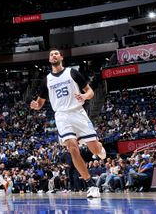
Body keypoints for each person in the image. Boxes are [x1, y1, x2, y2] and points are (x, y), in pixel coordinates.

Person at [30, 49, 106, 199]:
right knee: (72, 148)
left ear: (61, 57)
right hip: (62, 116)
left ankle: (100, 148)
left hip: (78, 112)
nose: (54, 55)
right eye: (51, 54)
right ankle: (91, 185)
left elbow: (90, 92)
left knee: (95, 150)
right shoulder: (47, 80)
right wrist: (35, 105)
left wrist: (84, 96)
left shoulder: (72, 73)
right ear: (49, 59)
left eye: (56, 53)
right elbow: (40, 103)